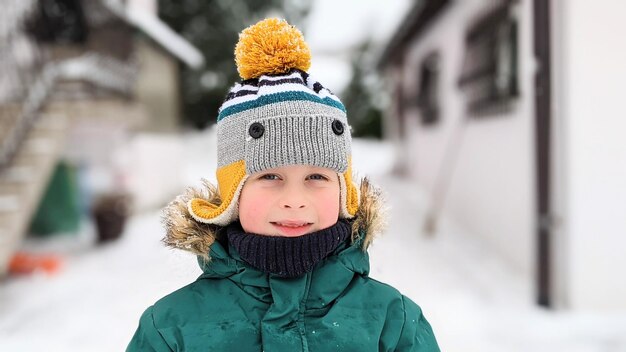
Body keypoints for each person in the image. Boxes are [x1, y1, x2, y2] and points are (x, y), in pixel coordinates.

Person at [127, 18, 440, 352]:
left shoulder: (392, 322)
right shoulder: (171, 328)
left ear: (343, 193)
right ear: (234, 194)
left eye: (316, 177)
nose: (294, 200)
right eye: (270, 176)